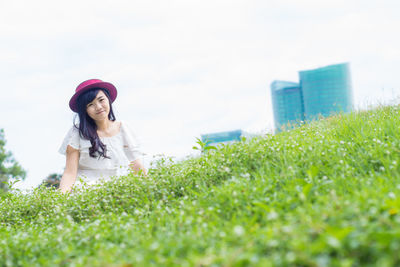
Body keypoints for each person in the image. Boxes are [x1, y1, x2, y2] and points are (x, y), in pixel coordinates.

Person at [58, 79, 147, 193]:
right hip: (86, 192)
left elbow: (137, 166)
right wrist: (60, 201)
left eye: (101, 100)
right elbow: (70, 173)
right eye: (90, 104)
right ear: (85, 111)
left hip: (119, 190)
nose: (98, 107)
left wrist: (150, 190)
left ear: (108, 100)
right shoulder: (77, 132)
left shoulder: (123, 129)